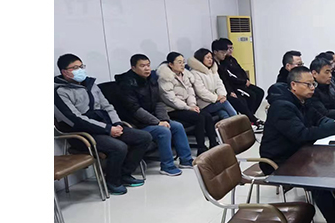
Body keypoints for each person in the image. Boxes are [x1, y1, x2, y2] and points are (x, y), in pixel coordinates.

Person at [260, 66, 335, 223]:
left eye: (313, 84)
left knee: (334, 171)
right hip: (278, 160)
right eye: (308, 84)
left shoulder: (303, 101)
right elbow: (302, 135)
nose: (312, 88)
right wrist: (331, 127)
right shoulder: (282, 107)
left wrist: (333, 123)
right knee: (318, 181)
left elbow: (319, 119)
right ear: (294, 85)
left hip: (297, 152)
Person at [54, 53, 152, 195]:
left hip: (106, 126)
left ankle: (124, 174)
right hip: (83, 133)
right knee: (118, 147)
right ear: (64, 72)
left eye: (81, 66)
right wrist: (108, 129)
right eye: (74, 68)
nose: (80, 70)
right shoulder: (59, 91)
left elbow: (107, 106)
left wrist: (117, 123)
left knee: (144, 137)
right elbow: (76, 119)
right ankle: (112, 181)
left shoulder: (90, 84)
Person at [115, 54, 193, 177]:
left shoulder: (151, 79)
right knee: (163, 131)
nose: (147, 68)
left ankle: (186, 160)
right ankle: (167, 166)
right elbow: (135, 110)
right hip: (136, 124)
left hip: (152, 119)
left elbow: (158, 102)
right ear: (133, 68)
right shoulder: (126, 84)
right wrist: (157, 122)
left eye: (148, 65)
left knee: (177, 126)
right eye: (142, 66)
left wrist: (163, 119)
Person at [157, 52, 218, 156]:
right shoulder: (165, 78)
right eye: (179, 62)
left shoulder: (185, 75)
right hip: (172, 109)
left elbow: (190, 92)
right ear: (170, 64)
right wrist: (188, 107)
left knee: (207, 116)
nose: (182, 65)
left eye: (183, 62)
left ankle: (214, 143)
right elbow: (170, 99)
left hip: (187, 107)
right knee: (199, 118)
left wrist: (192, 105)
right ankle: (201, 148)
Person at [212, 39, 265, 132]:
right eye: (223, 52)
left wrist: (246, 80)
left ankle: (251, 118)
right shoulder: (218, 65)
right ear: (215, 52)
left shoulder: (230, 60)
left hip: (232, 87)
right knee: (245, 98)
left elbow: (240, 71)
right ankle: (251, 120)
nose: (225, 53)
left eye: (227, 50)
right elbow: (226, 80)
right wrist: (230, 91)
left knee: (259, 92)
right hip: (229, 89)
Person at [189, 48, 238, 121]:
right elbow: (201, 92)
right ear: (201, 58)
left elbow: (219, 84)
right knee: (225, 104)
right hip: (204, 104)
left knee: (224, 114)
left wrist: (222, 95)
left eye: (211, 58)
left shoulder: (212, 70)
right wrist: (216, 98)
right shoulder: (195, 73)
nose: (210, 60)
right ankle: (238, 122)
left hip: (215, 102)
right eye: (207, 58)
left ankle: (231, 128)